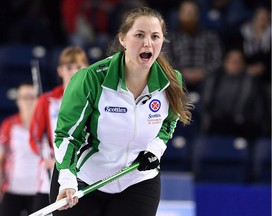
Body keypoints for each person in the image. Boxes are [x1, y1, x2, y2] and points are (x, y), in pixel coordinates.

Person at [51, 7, 193, 216]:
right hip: (84, 180)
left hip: (137, 180)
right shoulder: (91, 79)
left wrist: (155, 149)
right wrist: (68, 180)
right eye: (139, 35)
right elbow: (67, 135)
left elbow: (168, 122)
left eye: (155, 36)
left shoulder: (171, 80)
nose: (147, 43)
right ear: (123, 39)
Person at [29, 46, 89, 212]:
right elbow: (34, 136)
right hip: (51, 171)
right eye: (69, 68)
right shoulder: (47, 101)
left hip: (84, 170)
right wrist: (47, 159)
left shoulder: (94, 98)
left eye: (78, 67)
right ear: (60, 71)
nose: (74, 72)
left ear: (87, 69)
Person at [0, 82, 39, 216]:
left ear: (39, 99)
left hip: (38, 191)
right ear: (18, 101)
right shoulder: (9, 125)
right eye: (24, 97)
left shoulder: (46, 126)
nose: (28, 102)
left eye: (32, 97)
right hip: (12, 189)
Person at [200, 49, 268, 140]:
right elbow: (205, 106)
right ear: (225, 63)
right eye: (233, 61)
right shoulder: (213, 81)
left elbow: (259, 111)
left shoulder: (252, 83)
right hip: (217, 125)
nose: (236, 64)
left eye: (239, 61)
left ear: (244, 64)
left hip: (244, 126)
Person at [166, 0, 222, 93]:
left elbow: (217, 60)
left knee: (214, 81)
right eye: (186, 12)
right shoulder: (171, 38)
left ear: (198, 15)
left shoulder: (211, 36)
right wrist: (182, 73)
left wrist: (203, 72)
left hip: (206, 79)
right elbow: (167, 60)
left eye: (193, 12)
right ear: (179, 15)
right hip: (178, 77)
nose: (189, 15)